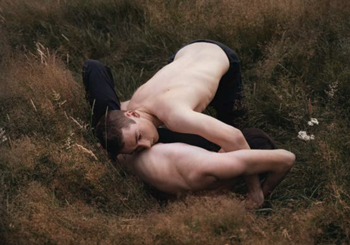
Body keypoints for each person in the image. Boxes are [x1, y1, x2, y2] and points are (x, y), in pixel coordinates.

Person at [82, 40, 294, 207]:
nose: (146, 145)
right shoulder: (134, 106)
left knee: (236, 123)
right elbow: (113, 117)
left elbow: (236, 138)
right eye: (137, 147)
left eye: (139, 138)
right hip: (183, 54)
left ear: (133, 115)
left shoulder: (177, 117)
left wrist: (254, 191)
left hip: (219, 55)